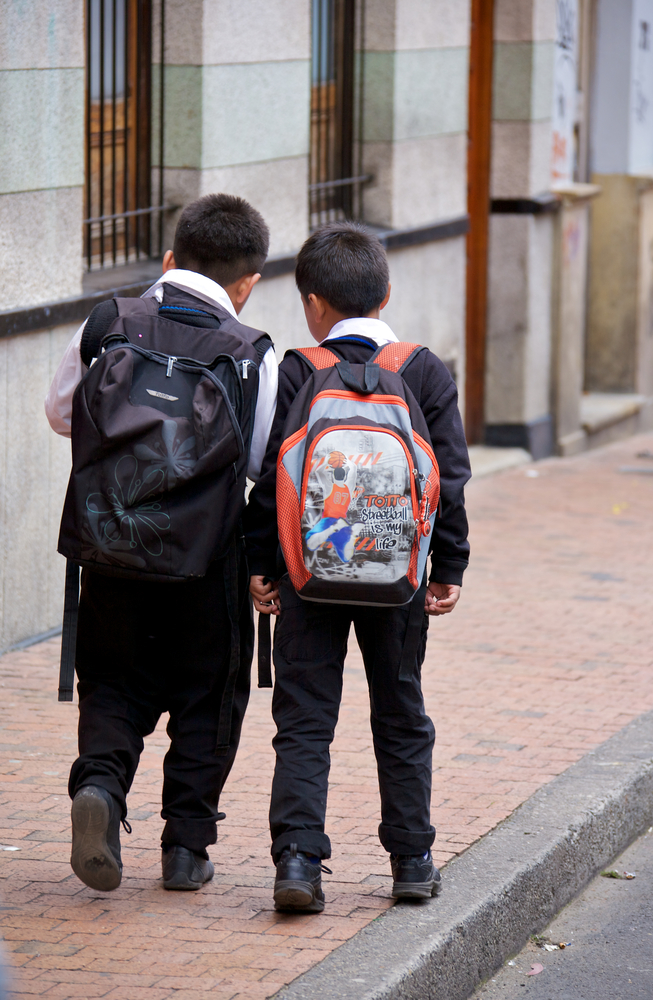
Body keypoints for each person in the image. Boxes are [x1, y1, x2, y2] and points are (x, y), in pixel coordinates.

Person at [45, 194, 277, 892]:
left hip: (112, 545)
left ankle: (102, 790)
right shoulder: (249, 354)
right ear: (249, 281)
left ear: (171, 259)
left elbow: (62, 414)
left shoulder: (108, 323)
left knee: (113, 681)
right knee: (209, 694)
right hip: (207, 559)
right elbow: (262, 462)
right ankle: (186, 849)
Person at [244, 222, 471, 913]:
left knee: (305, 718)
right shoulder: (423, 368)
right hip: (395, 579)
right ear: (386, 293)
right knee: (400, 714)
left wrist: (263, 565)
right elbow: (451, 480)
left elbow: (268, 479)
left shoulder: (299, 370)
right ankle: (410, 858)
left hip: (311, 575)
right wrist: (446, 566)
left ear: (311, 303)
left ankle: (297, 863)